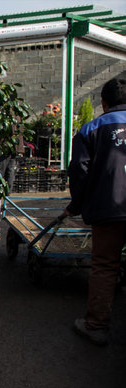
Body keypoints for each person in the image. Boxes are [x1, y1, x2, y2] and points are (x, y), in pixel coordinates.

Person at [65, 76, 126, 346]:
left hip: (108, 210)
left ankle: (96, 326)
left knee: (105, 265)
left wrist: (76, 205)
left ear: (103, 103)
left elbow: (79, 170)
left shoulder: (92, 129)